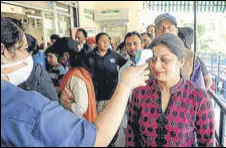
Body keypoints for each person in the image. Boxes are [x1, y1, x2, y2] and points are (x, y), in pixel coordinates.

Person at [1, 16, 150, 147]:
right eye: (24, 48)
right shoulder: (28, 109)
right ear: (3, 51)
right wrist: (125, 85)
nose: (29, 56)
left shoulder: (80, 74)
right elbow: (95, 139)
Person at [125, 33, 215, 147]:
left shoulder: (198, 98)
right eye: (153, 59)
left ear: (181, 61)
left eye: (165, 60)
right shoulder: (140, 91)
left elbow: (207, 143)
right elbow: (132, 133)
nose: (156, 66)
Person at [45, 37, 97, 122]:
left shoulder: (76, 78)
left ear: (65, 56)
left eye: (57, 56)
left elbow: (80, 108)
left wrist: (64, 104)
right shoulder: (73, 72)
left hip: (77, 123)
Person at [154, 13, 206, 90]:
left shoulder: (190, 57)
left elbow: (199, 89)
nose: (165, 31)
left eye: (170, 27)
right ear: (155, 32)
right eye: (161, 27)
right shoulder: (145, 55)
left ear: (176, 31)